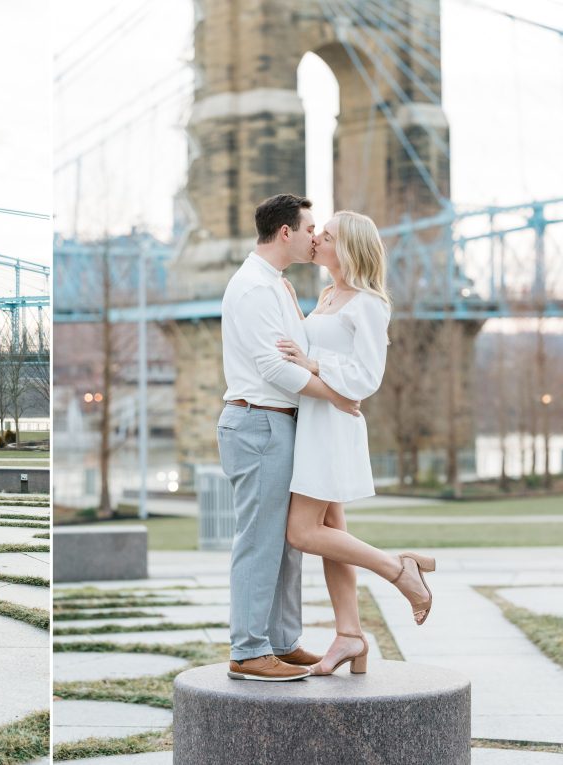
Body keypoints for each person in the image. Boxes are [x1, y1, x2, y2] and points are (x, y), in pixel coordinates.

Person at [279, 211, 435, 677]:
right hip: (314, 420)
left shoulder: (368, 303)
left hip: (332, 425)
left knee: (302, 533)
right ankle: (350, 635)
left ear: (347, 248)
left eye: (325, 236)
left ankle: (399, 570)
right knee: (333, 538)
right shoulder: (327, 295)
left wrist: (312, 363)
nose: (316, 240)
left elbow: (367, 377)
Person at [218, 194, 364, 682]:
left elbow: (296, 354)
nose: (315, 236)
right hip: (258, 420)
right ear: (287, 233)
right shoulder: (255, 290)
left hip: (279, 422)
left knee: (286, 544)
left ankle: (281, 641)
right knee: (259, 541)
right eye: (310, 228)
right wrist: (336, 396)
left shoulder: (277, 285)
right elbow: (272, 368)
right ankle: (249, 649)